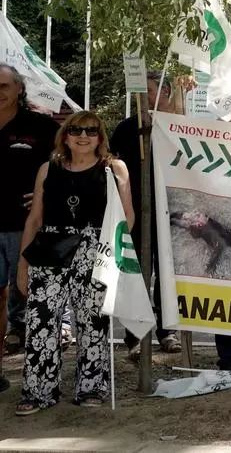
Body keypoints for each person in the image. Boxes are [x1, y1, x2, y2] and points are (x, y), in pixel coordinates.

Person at [15, 112, 135, 415]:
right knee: (41, 321)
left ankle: (92, 386)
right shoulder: (48, 168)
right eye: (76, 130)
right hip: (49, 248)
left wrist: (113, 251)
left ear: (100, 136)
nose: (84, 136)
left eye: (91, 131)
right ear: (65, 135)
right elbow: (35, 219)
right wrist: (22, 265)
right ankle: (39, 391)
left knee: (93, 322)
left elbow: (128, 216)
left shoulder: (114, 168)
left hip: (95, 250)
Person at [110, 72, 188, 362]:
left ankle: (168, 332)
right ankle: (134, 336)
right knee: (138, 274)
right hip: (136, 214)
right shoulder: (126, 129)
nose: (143, 98)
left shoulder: (178, 128)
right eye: (140, 92)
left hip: (172, 214)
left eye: (150, 91)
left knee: (168, 275)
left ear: (165, 93)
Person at [0, 64, 59, 393]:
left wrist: (48, 195)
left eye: (4, 86)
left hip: (28, 228)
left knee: (35, 300)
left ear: (19, 89)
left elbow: (69, 160)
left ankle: (39, 377)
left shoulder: (39, 126)